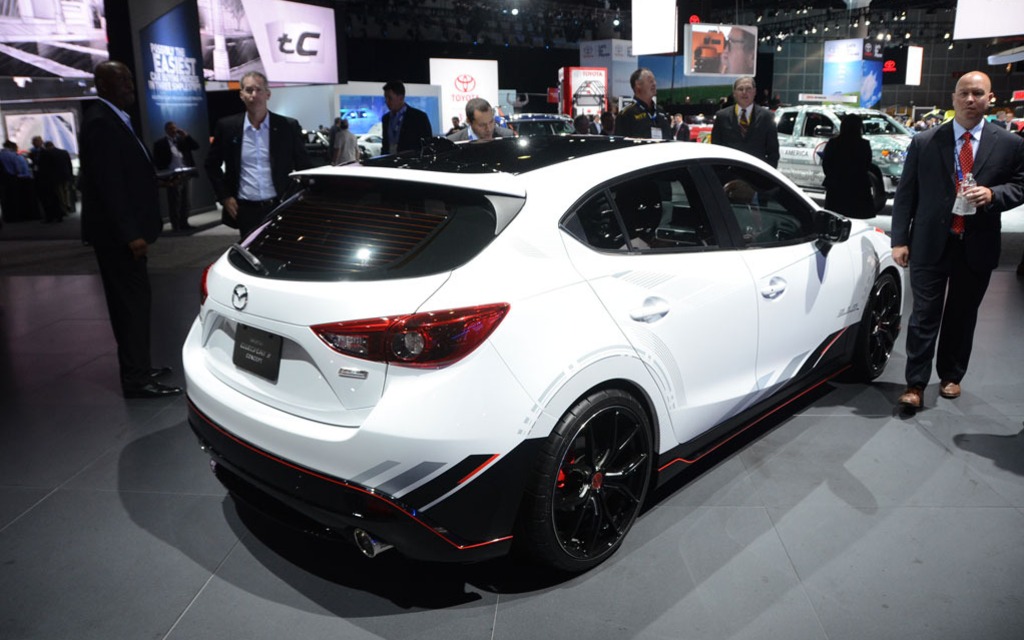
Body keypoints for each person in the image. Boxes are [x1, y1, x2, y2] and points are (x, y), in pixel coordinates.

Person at [891, 70, 1024, 410]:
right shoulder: (924, 141)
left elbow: (1021, 186)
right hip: (929, 241)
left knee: (962, 315)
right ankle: (915, 384)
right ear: (952, 98)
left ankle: (951, 375)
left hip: (976, 243)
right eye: (964, 93)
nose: (970, 99)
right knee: (923, 315)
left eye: (978, 93)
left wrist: (993, 194)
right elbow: (906, 194)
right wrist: (899, 240)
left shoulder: (1010, 144)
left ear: (989, 98)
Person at [79, 60, 181, 399]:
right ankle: (136, 379)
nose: (130, 85)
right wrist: (130, 233)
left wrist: (155, 183)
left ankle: (139, 368)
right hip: (119, 238)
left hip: (123, 233)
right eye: (121, 80)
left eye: (129, 78)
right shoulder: (101, 123)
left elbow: (125, 175)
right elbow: (109, 185)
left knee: (135, 304)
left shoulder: (115, 120)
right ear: (103, 85)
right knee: (130, 307)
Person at [205, 70, 312, 239]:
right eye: (248, 90)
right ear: (241, 95)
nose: (254, 95)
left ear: (267, 94)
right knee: (250, 259)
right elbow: (211, 165)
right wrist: (225, 196)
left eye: (258, 90)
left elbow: (304, 166)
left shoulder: (287, 126)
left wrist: (297, 199)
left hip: (280, 206)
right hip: (246, 210)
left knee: (282, 252)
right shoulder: (227, 127)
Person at [711, 76, 780, 167]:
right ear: (734, 93)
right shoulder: (722, 116)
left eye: (748, 89)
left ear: (754, 92)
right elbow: (716, 149)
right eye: (740, 89)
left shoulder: (767, 117)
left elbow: (773, 153)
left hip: (757, 175)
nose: (744, 92)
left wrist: (767, 176)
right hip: (729, 175)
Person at [821, 114, 874, 218]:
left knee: (835, 218)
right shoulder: (863, 145)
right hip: (857, 187)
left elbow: (826, 164)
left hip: (836, 187)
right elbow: (867, 165)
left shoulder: (833, 143)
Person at [153, 121, 199, 231]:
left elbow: (196, 146)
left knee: (186, 200)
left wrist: (186, 136)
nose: (173, 131)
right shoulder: (160, 143)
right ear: (166, 130)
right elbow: (157, 160)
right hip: (173, 175)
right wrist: (165, 173)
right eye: (171, 129)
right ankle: (176, 225)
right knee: (175, 201)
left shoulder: (182, 140)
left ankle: (184, 223)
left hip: (185, 173)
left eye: (174, 128)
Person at [613, 67, 671, 139]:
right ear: (638, 84)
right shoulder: (627, 114)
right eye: (650, 81)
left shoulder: (661, 113)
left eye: (654, 80)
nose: (654, 84)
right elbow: (620, 144)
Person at [381, 80, 434, 154]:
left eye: (390, 98)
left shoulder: (419, 117)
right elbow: (385, 145)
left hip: (411, 163)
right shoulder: (386, 119)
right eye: (385, 98)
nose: (386, 101)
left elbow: (427, 145)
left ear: (401, 98)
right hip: (389, 162)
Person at [446, 98, 514, 141]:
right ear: (469, 121)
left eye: (491, 122)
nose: (489, 129)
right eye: (482, 125)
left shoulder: (507, 136)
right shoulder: (454, 141)